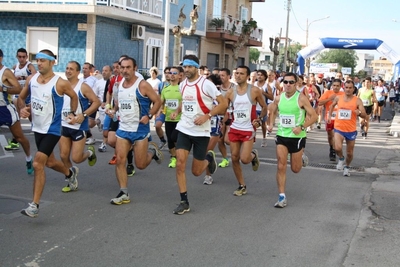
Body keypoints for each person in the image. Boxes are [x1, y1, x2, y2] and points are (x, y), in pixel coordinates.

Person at [18, 49, 79, 218]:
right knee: (50, 162)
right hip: (37, 128)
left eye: (43, 60)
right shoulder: (32, 80)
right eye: (37, 60)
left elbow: (74, 97)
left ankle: (34, 205)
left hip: (52, 129)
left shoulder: (59, 83)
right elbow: (20, 98)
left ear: (52, 62)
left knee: (38, 164)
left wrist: (72, 113)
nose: (39, 63)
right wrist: (22, 109)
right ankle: (70, 173)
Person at [169, 55, 227, 215]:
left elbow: (223, 104)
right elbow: (186, 102)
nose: (186, 69)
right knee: (180, 164)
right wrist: (177, 111)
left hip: (201, 132)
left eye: (189, 66)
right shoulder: (182, 85)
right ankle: (184, 201)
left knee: (196, 171)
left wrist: (207, 116)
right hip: (184, 129)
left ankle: (209, 159)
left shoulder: (206, 84)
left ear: (196, 67)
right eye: (184, 66)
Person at [109, 57, 163, 205]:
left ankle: (152, 151)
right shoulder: (119, 85)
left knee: (140, 164)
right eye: (123, 67)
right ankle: (123, 192)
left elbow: (158, 101)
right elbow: (120, 104)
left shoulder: (142, 85)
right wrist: (113, 111)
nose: (125, 70)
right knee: (120, 160)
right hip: (123, 128)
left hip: (140, 129)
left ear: (134, 68)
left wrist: (149, 115)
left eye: (128, 67)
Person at [267, 72, 318, 208]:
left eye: (291, 82)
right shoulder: (279, 98)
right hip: (282, 135)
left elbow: (314, 116)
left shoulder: (301, 99)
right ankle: (281, 196)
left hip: (297, 137)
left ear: (296, 84)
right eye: (285, 82)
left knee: (295, 169)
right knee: (281, 165)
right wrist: (271, 124)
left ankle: (301, 156)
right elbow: (272, 109)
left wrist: (302, 126)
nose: (288, 85)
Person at [226, 66, 268, 195]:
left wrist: (259, 119)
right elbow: (226, 110)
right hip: (234, 128)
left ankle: (253, 155)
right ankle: (241, 185)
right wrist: (225, 123)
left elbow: (264, 107)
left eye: (241, 74)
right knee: (234, 158)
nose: (238, 76)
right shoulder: (230, 92)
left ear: (248, 76)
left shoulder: (255, 91)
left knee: (244, 159)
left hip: (248, 128)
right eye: (236, 73)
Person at [59, 61, 101, 192]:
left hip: (78, 127)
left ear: (78, 72)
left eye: (71, 69)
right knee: (63, 156)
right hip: (63, 124)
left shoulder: (83, 87)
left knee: (76, 158)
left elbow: (96, 102)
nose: (68, 71)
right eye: (66, 68)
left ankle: (89, 153)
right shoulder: (61, 85)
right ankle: (71, 179)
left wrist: (83, 114)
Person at [0, 49, 33, 174]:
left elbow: (18, 88)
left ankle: (29, 158)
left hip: (6, 109)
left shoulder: (6, 72)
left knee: (19, 137)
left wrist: (2, 88)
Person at [328, 80, 367, 177]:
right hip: (339, 127)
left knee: (349, 153)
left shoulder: (357, 100)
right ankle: (341, 158)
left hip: (351, 130)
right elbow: (332, 106)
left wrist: (359, 113)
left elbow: (364, 114)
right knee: (337, 147)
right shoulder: (338, 98)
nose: (348, 89)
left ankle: (347, 166)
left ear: (353, 89)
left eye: (350, 88)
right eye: (346, 87)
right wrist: (329, 116)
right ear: (344, 88)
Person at [5, 48, 37, 151]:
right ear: (17, 57)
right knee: (17, 115)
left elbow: (35, 74)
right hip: (18, 95)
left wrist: (23, 78)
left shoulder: (29, 66)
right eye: (20, 57)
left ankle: (38, 132)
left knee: (31, 117)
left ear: (27, 57)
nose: (22, 59)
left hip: (28, 94)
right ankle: (15, 141)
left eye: (24, 57)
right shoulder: (15, 67)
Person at [158, 66, 182, 168]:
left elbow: (184, 102)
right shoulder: (165, 89)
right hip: (168, 118)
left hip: (180, 119)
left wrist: (177, 112)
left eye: (174, 73)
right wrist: (160, 110)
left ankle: (180, 154)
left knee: (175, 137)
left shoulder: (181, 88)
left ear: (180, 76)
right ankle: (174, 157)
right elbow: (162, 102)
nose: (171, 75)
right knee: (170, 139)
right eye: (170, 73)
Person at [318, 79, 344, 161]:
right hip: (329, 117)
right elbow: (319, 103)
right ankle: (331, 148)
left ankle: (335, 149)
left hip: (340, 118)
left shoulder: (343, 94)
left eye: (338, 86)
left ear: (340, 86)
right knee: (330, 135)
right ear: (332, 86)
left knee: (337, 136)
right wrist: (329, 99)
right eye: (334, 85)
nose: (336, 87)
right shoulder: (328, 93)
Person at [217, 67, 235, 168]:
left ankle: (235, 154)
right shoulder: (216, 88)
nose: (221, 77)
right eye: (219, 75)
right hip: (220, 116)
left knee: (227, 140)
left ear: (228, 76)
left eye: (223, 75)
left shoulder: (234, 88)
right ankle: (225, 159)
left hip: (232, 116)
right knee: (219, 140)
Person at [95, 65, 113, 152]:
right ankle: (104, 143)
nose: (104, 72)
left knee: (110, 129)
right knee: (105, 129)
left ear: (110, 72)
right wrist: (104, 102)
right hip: (105, 108)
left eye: (106, 71)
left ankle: (105, 143)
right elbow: (106, 93)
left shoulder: (115, 80)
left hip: (116, 108)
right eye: (103, 70)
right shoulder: (100, 82)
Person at [254, 69, 273, 147]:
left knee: (263, 124)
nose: (259, 76)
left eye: (261, 75)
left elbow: (271, 97)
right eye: (258, 75)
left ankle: (264, 138)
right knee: (253, 123)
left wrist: (263, 93)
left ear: (265, 76)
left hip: (263, 108)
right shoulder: (254, 84)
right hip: (254, 107)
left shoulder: (267, 86)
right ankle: (252, 138)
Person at [154, 67, 171, 150]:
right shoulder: (161, 84)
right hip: (163, 110)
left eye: (169, 72)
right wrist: (157, 109)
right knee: (157, 126)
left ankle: (173, 145)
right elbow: (159, 97)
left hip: (173, 111)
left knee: (171, 131)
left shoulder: (178, 84)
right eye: (166, 73)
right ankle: (162, 140)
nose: (167, 74)